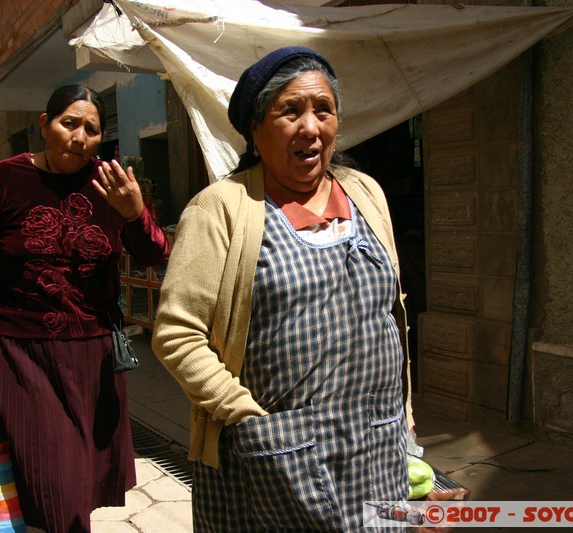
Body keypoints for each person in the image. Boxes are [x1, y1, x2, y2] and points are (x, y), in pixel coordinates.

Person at [151, 46, 415, 531]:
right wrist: (245, 417)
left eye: (323, 109)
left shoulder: (366, 193)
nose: (310, 127)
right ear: (255, 130)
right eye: (290, 111)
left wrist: (406, 419)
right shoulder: (220, 209)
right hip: (273, 461)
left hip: (377, 447)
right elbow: (176, 334)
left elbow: (389, 313)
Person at [0, 84, 171, 532]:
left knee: (80, 479)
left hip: (93, 354)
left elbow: (154, 254)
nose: (79, 138)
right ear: (45, 125)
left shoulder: (110, 184)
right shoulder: (3, 179)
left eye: (92, 130)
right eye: (69, 123)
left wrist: (135, 212)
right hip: (21, 354)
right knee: (54, 482)